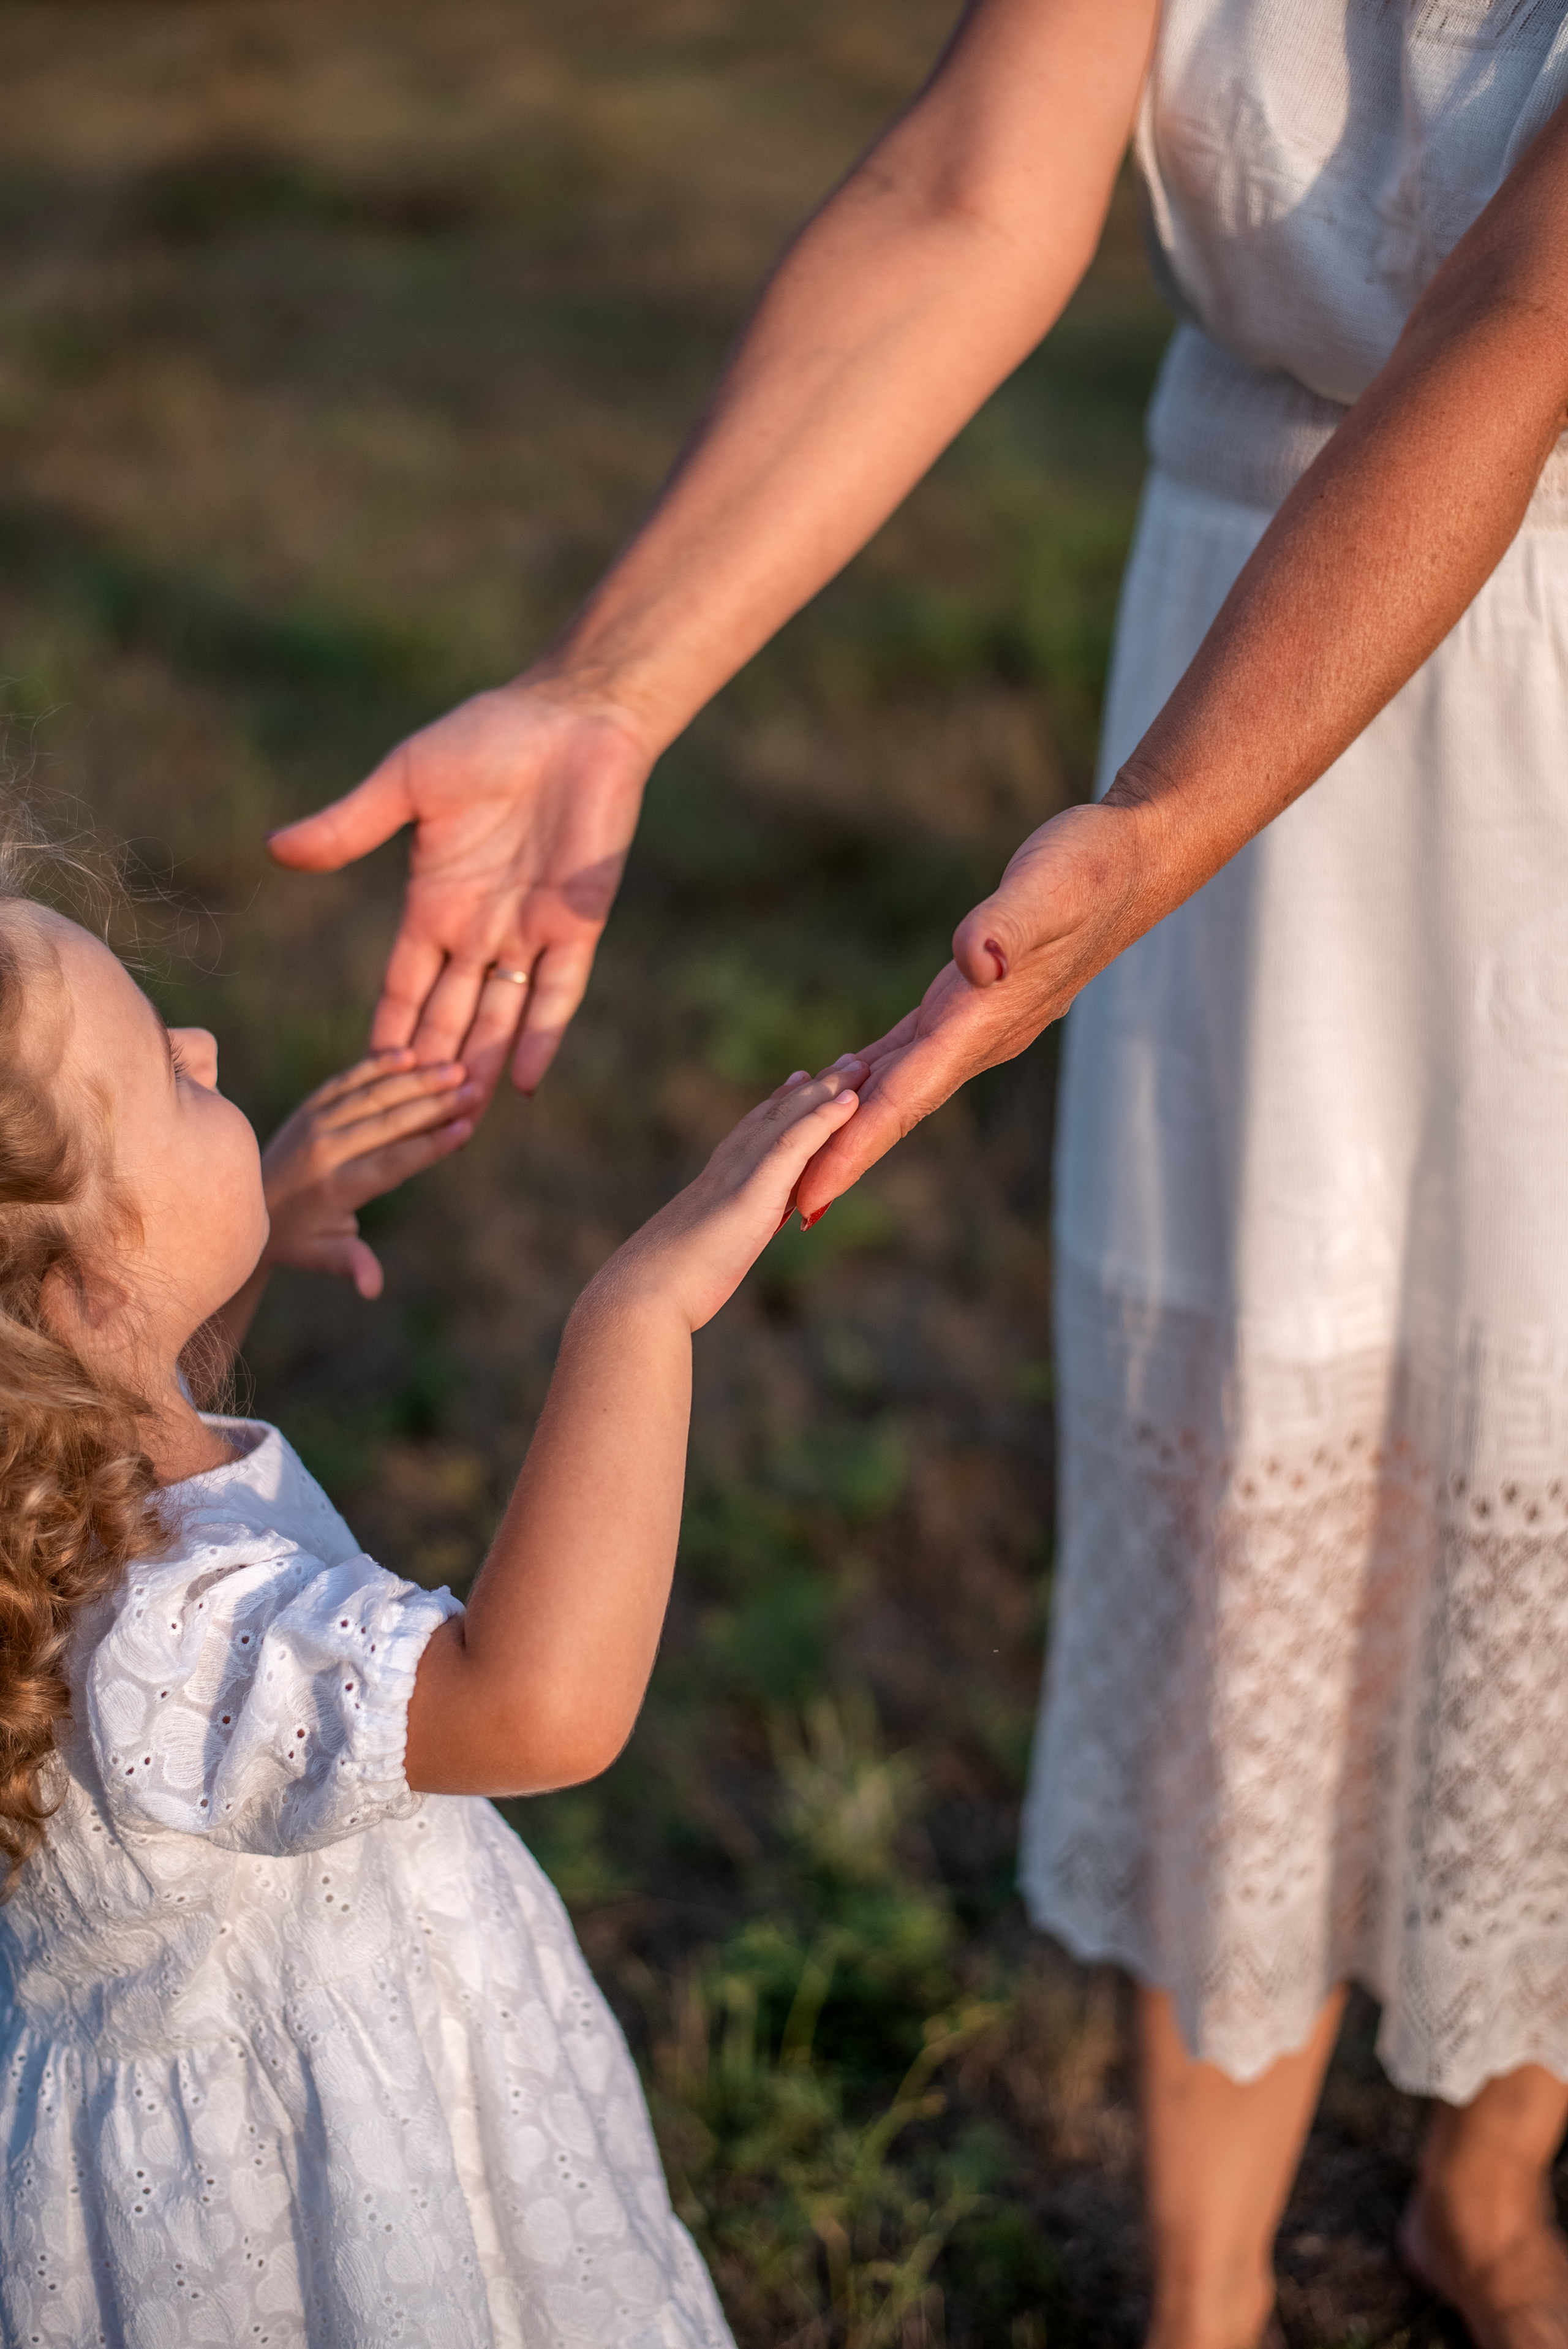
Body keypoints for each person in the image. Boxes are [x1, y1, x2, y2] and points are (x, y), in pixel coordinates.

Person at [263, 2, 1568, 2341]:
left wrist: (1153, 833)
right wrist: (610, 684)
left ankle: (1490, 2174)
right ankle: (1200, 2293)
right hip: (1245, 635)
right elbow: (974, 189)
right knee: (1258, 1479)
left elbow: (1522, 314)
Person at [0, 866, 867, 2346]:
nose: (206, 1047)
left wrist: (248, 1229)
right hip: (316, 2178)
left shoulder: (47, 1507)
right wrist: (637, 1318)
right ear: (83, 1289)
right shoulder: (162, 1644)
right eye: (164, 1071)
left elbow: (134, 1442)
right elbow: (532, 1701)